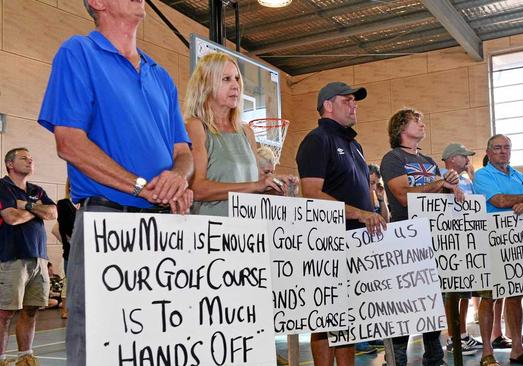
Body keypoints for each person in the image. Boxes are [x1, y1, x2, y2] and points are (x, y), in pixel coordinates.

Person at [37, 1, 194, 364]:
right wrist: (141, 185)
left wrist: (177, 179)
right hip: (108, 223)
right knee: (100, 343)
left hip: (164, 227)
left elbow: (183, 152)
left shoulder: (160, 74)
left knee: (161, 340)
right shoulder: (79, 52)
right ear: (97, 2)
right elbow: (69, 143)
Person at [296, 81, 387, 366]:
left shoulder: (354, 144)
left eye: (354, 101)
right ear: (328, 105)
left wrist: (373, 212)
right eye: (347, 100)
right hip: (327, 244)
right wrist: (360, 213)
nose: (354, 104)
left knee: (351, 317)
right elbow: (310, 193)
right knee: (324, 318)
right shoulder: (317, 140)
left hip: (358, 243)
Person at [379, 109, 463, 366]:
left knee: (432, 299)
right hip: (405, 239)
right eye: (417, 121)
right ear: (401, 127)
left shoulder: (429, 161)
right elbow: (404, 195)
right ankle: (397, 358)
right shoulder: (392, 158)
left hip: (433, 237)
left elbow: (441, 197)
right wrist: (440, 183)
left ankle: (434, 355)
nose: (423, 124)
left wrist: (452, 187)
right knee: (404, 301)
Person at [185, 52, 291, 216]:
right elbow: (197, 189)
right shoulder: (195, 127)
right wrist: (256, 185)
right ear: (205, 85)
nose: (236, 85)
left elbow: (255, 190)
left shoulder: (247, 131)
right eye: (226, 79)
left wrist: (277, 188)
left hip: (247, 235)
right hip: (210, 234)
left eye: (236, 78)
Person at [473, 134, 523, 366]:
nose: (503, 152)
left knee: (515, 295)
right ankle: (487, 351)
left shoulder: (519, 175)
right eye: (497, 148)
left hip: (517, 246)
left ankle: (517, 348)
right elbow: (499, 200)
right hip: (491, 242)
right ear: (489, 151)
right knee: (489, 297)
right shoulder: (483, 175)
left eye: (506, 148)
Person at [0, 148, 57, 366]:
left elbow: (53, 212)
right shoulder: (2, 187)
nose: (30, 160)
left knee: (31, 310)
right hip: (11, 257)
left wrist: (27, 205)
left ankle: (25, 357)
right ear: (10, 164)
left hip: (39, 258)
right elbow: (11, 218)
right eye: (24, 158)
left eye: (31, 158)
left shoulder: (36, 190)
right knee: (5, 313)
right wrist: (37, 210)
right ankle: (2, 359)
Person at [439, 143, 483, 356]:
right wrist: (450, 187)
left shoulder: (467, 179)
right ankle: (451, 337)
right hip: (448, 244)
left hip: (466, 242)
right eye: (465, 156)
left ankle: (463, 334)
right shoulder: (440, 175)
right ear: (453, 158)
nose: (468, 159)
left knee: (465, 291)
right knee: (451, 293)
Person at [51, 180, 77, 319]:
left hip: (88, 253)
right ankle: (67, 310)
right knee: (70, 283)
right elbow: (67, 230)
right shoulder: (64, 204)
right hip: (73, 254)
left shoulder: (87, 205)